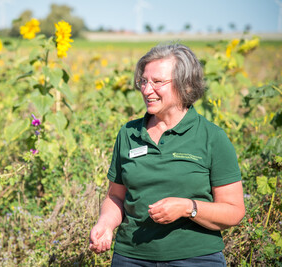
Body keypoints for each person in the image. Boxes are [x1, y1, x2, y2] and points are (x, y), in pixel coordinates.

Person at [89, 43, 245, 266]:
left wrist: (187, 208)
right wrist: (105, 224)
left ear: (186, 86)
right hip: (131, 257)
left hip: (195, 258)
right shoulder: (128, 133)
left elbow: (234, 211)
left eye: (157, 82)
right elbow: (116, 197)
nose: (146, 89)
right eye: (143, 81)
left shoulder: (212, 137)